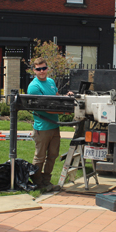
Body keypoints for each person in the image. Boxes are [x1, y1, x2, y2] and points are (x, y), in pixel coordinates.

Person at [27, 57, 65, 193]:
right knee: (40, 157)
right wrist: (63, 110)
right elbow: (43, 108)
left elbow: (57, 96)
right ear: (34, 70)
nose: (41, 71)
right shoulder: (34, 86)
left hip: (54, 126)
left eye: (43, 68)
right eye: (38, 69)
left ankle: (46, 181)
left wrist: (67, 99)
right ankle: (37, 182)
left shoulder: (50, 82)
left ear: (47, 68)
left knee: (53, 155)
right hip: (42, 128)